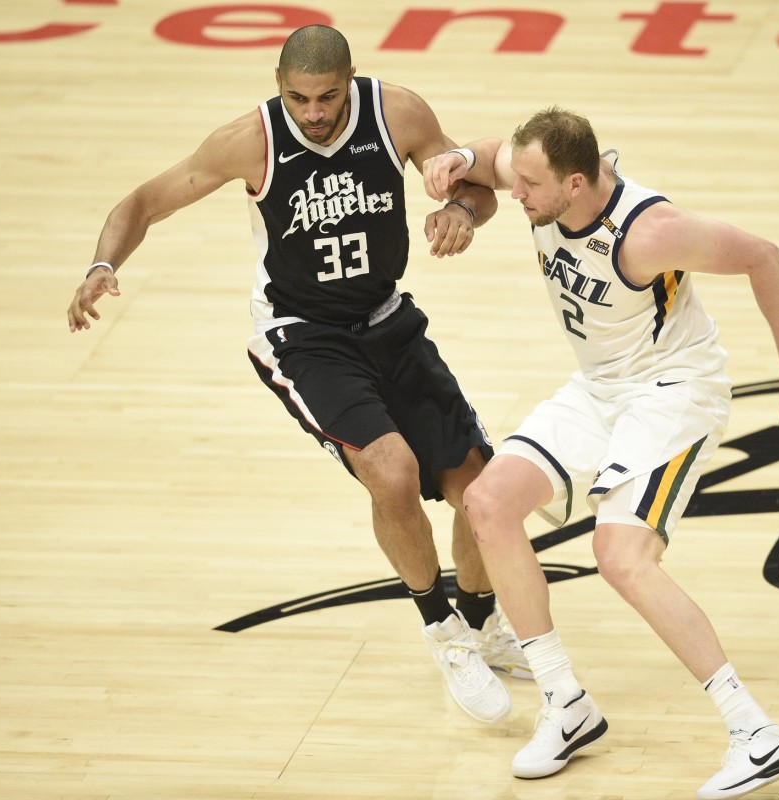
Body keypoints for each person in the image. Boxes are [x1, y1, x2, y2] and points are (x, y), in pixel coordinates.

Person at [66, 24, 532, 725]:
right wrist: (103, 266)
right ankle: (443, 632)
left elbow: (475, 186)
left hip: (388, 318)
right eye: (298, 97)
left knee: (479, 489)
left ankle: (483, 625)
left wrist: (462, 210)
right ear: (277, 80)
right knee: (393, 472)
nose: (313, 112)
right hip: (303, 338)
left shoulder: (398, 113)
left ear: (352, 80)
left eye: (327, 96)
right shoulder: (248, 140)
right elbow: (143, 203)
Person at [423, 108, 779, 798]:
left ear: (577, 185)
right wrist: (461, 163)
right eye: (517, 181)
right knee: (487, 503)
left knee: (621, 556)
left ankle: (755, 733)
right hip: (599, 389)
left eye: (530, 186)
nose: (516, 194)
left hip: (672, 392)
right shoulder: (539, 177)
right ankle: (566, 706)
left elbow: (763, 255)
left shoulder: (650, 233)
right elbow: (496, 154)